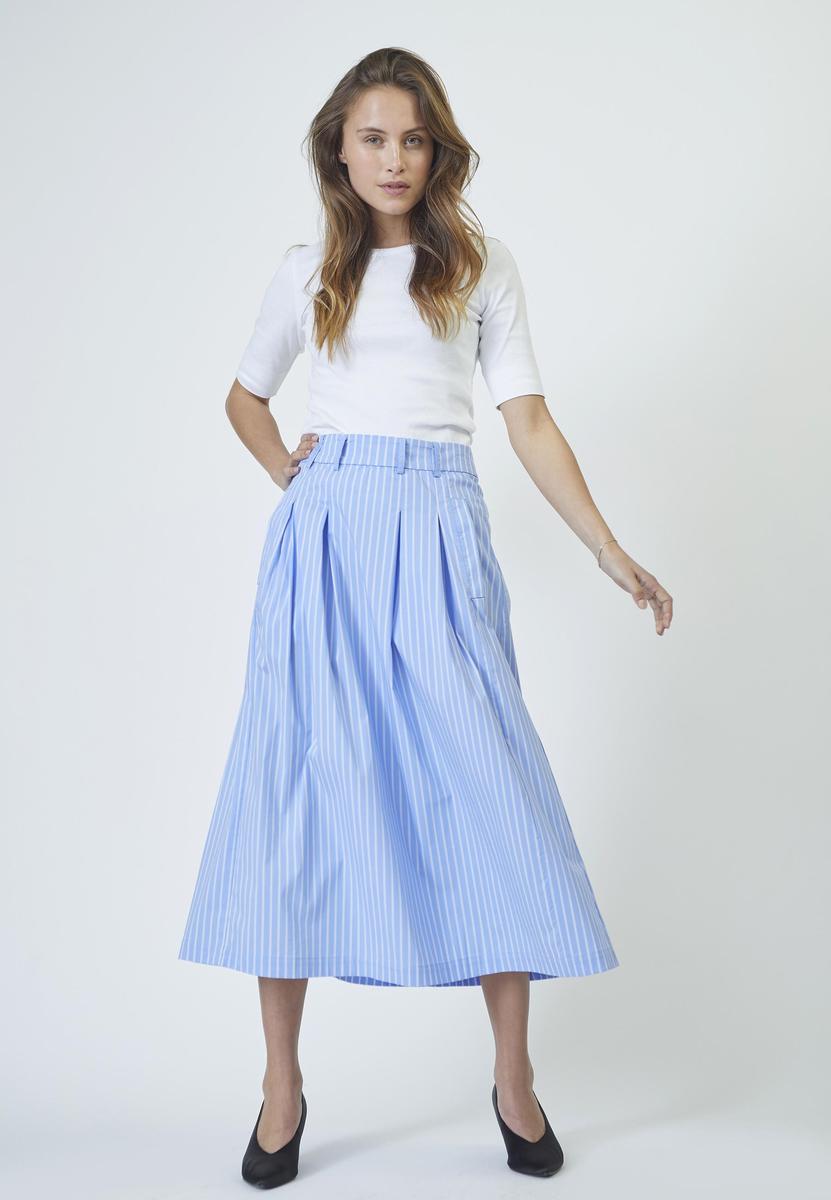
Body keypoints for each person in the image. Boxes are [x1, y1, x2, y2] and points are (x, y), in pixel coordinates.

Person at [178, 46, 673, 1187]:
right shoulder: (307, 271)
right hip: (327, 543)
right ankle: (282, 1087)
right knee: (295, 788)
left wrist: (608, 550)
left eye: (412, 139)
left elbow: (528, 419)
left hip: (441, 534)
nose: (394, 158)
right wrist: (292, 474)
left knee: (489, 788)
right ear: (339, 151)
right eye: (373, 138)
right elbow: (244, 397)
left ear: (437, 151)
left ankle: (512, 1077)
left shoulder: (480, 268)